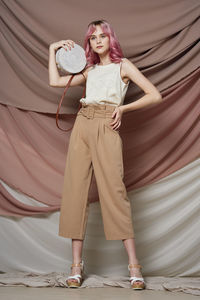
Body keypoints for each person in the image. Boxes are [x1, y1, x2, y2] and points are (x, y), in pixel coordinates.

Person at [48, 19, 162, 289]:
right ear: (89, 43)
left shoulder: (124, 66)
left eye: (103, 36)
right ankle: (76, 267)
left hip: (106, 125)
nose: (98, 40)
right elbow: (55, 81)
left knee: (115, 192)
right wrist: (53, 49)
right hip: (82, 125)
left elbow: (154, 95)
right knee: (76, 191)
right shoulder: (89, 71)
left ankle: (135, 268)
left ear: (111, 39)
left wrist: (122, 109)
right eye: (93, 37)